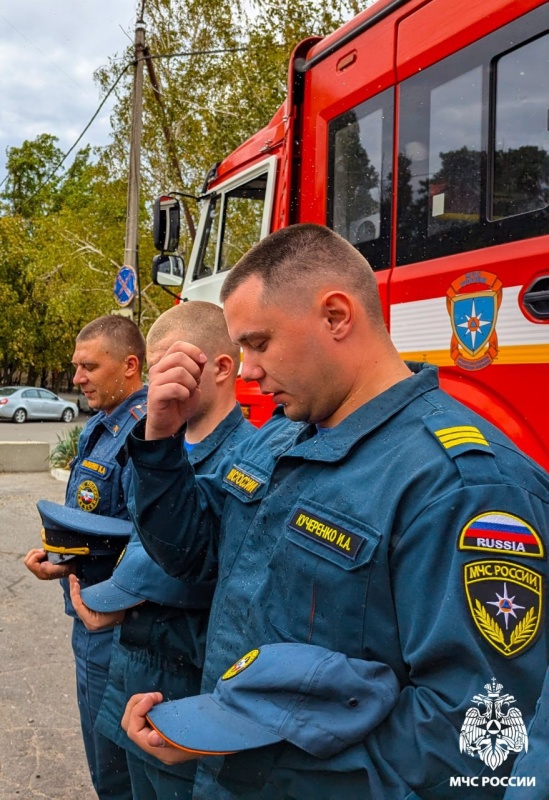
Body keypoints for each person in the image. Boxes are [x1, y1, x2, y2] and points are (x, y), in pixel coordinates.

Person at [122, 224, 549, 799]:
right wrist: (160, 447)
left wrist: (252, 759)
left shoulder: (463, 486)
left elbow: (466, 742)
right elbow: (194, 556)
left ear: (337, 316)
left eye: (258, 343)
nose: (245, 370)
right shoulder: (280, 439)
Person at [67, 302, 255, 800]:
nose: (159, 382)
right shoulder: (151, 445)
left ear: (220, 367)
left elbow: (215, 576)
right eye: (155, 369)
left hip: (183, 682)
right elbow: (138, 543)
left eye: (174, 364)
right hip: (127, 671)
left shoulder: (250, 460)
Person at [24, 314, 147, 800]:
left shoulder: (142, 435)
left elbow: (149, 547)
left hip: (116, 630)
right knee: (104, 767)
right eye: (76, 367)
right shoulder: (103, 425)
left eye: (89, 367)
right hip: (89, 617)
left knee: (115, 776)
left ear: (130, 365)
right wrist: (62, 560)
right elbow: (97, 527)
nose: (77, 379)